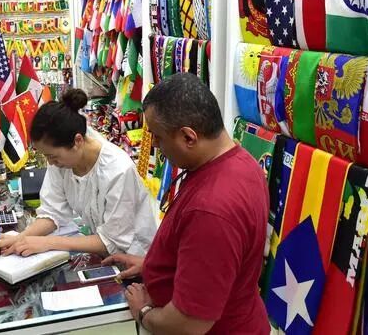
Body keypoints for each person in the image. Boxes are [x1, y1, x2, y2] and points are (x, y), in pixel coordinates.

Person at [103, 74, 270, 334]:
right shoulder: (241, 162)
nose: (155, 145)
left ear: (189, 138)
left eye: (158, 137)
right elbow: (218, 262)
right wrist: (155, 265)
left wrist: (143, 312)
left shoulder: (211, 209)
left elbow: (189, 323)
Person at [0, 88, 157, 257]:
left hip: (136, 258)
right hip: (104, 255)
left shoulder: (118, 171)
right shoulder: (62, 161)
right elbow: (52, 212)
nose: (50, 163)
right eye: (47, 156)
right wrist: (20, 239)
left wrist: (47, 243)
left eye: (52, 156)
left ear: (78, 141)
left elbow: (112, 241)